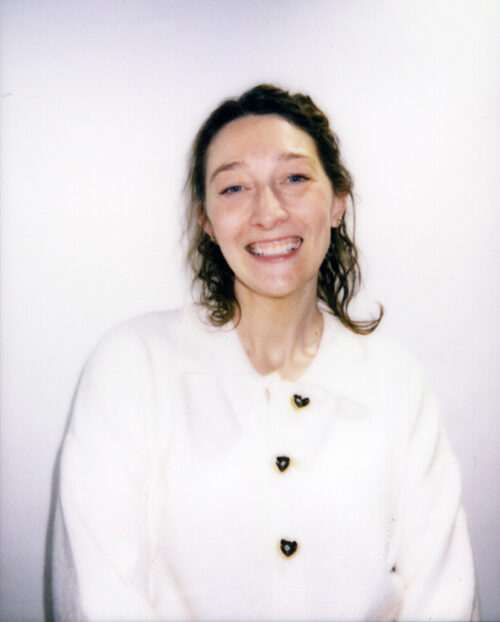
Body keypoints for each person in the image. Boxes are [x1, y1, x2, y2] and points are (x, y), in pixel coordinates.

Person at [50, 84, 477, 621]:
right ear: (206, 220)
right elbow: (99, 598)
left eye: (294, 178)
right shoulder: (132, 365)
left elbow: (443, 594)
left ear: (338, 201)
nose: (268, 212)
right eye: (234, 188)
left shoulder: (397, 380)